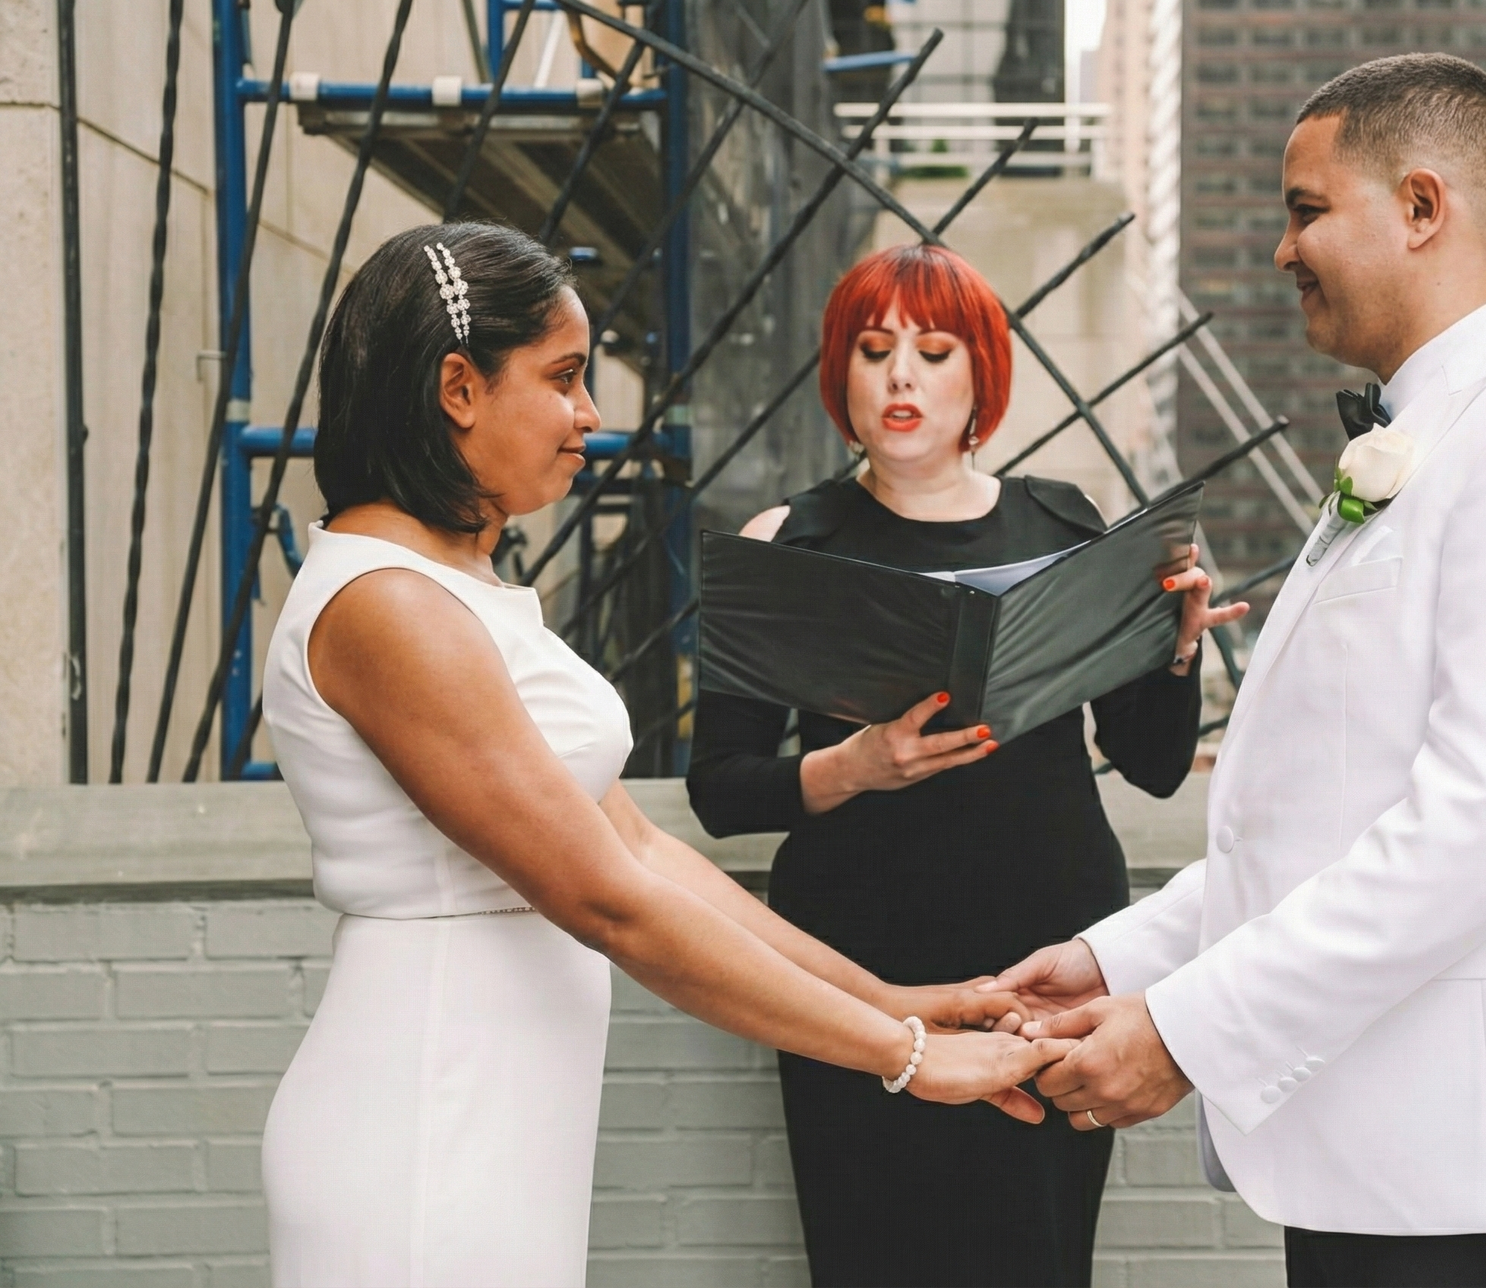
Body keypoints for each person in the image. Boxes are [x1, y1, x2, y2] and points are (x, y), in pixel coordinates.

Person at [989, 54, 1486, 1288]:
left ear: (1423, 207)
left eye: (1306, 209)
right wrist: (1126, 961)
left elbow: (1482, 820)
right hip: (1403, 1160)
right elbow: (1334, 812)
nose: (1283, 249)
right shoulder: (1429, 430)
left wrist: (1187, 1031)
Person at [258, 223, 1070, 1288]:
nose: (591, 413)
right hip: (427, 1106)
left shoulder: (459, 583)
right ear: (459, 386)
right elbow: (610, 902)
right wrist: (907, 1058)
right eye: (563, 377)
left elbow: (637, 847)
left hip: (501, 1103)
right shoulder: (386, 606)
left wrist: (889, 995)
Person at [686, 242, 1248, 1288]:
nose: (902, 375)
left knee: (1033, 1253)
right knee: (868, 1252)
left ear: (981, 374)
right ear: (839, 376)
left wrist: (1175, 654)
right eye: (874, 349)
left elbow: (1156, 765)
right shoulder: (788, 542)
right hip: (855, 966)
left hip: (1040, 948)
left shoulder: (1066, 527)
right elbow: (719, 788)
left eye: (935, 350)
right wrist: (853, 765)